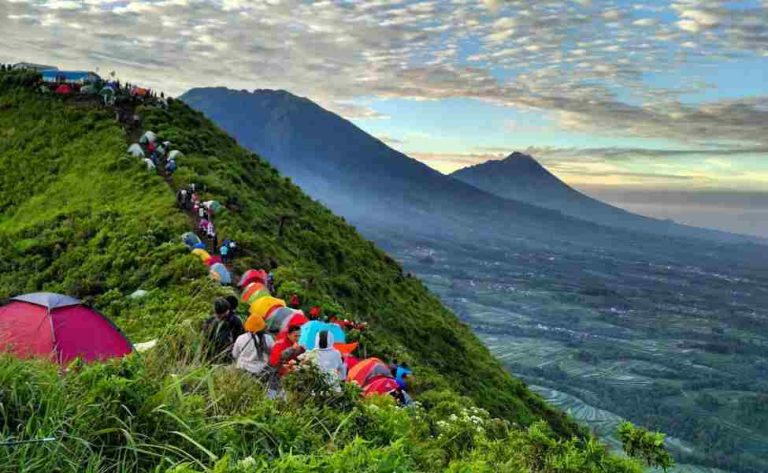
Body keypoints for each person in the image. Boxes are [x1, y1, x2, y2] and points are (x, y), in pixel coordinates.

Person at [232, 313, 275, 385]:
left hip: (243, 373)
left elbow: (235, 354)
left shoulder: (241, 338)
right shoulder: (268, 339)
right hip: (262, 373)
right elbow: (273, 355)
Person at [202, 298, 244, 362]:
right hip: (211, 355)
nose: (218, 316)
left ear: (227, 310)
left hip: (226, 357)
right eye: (217, 314)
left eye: (221, 314)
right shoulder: (211, 320)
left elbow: (239, 340)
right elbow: (206, 337)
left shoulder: (235, 321)